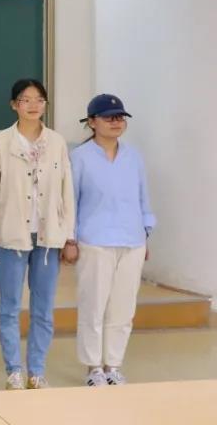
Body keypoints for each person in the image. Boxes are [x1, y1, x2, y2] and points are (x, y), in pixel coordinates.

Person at [0, 78, 74, 390]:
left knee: (43, 307)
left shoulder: (57, 142)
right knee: (10, 306)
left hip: (48, 236)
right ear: (14, 105)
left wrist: (69, 235)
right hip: (11, 235)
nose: (33, 105)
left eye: (39, 99)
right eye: (26, 99)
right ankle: (14, 370)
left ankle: (36, 370)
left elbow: (67, 191)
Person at [71, 94, 154, 387]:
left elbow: (142, 197)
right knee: (93, 306)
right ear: (92, 122)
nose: (116, 122)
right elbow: (71, 200)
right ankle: (93, 367)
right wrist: (70, 239)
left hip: (132, 240)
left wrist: (146, 232)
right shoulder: (79, 157)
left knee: (123, 307)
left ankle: (113, 365)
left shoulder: (133, 156)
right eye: (108, 117)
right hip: (94, 241)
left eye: (120, 117)